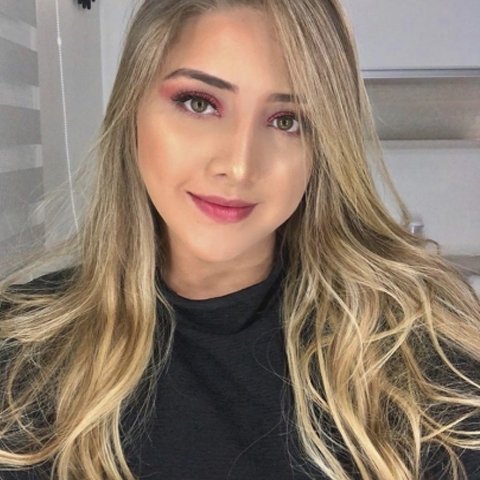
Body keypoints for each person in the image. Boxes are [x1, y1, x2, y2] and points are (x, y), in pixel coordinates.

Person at [0, 0, 479, 478]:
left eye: (287, 120)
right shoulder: (21, 353)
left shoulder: (420, 358)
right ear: (132, 110)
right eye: (199, 103)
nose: (239, 165)